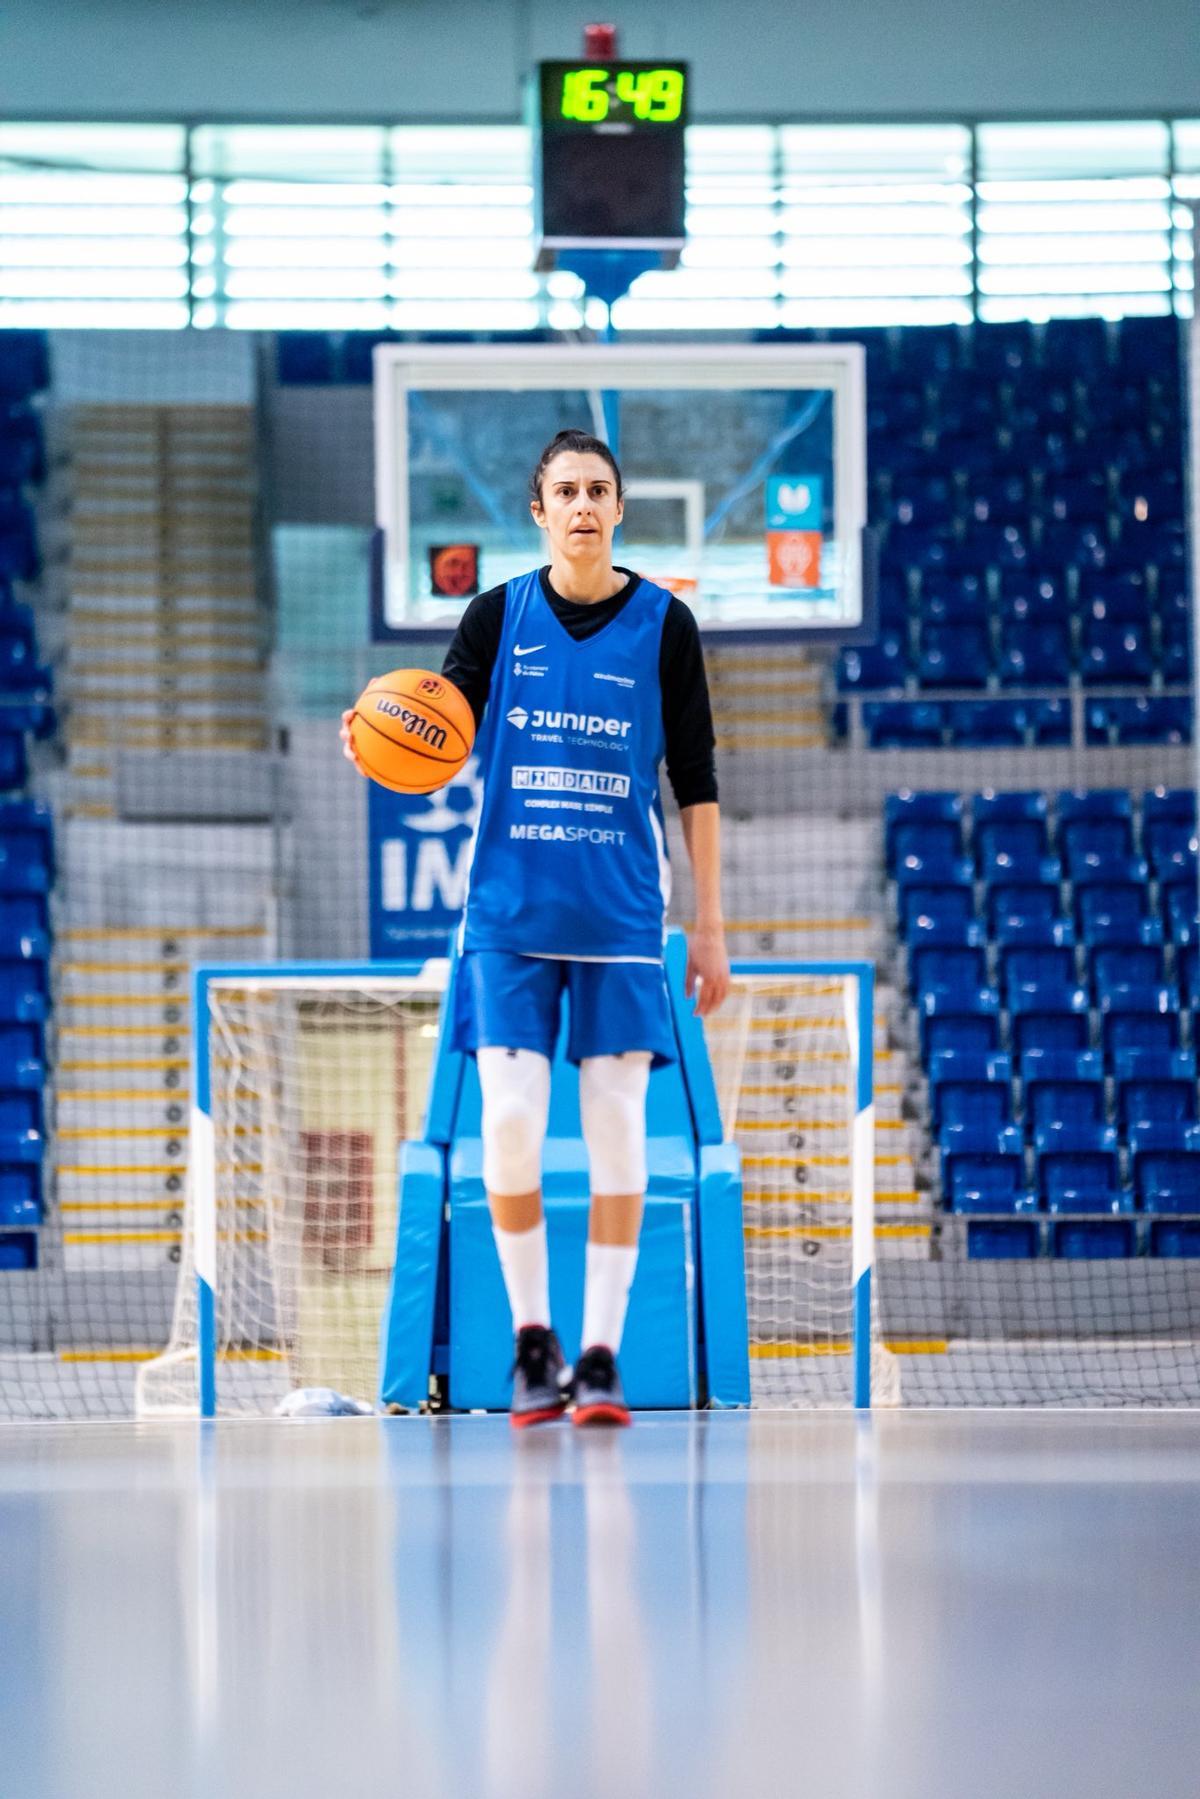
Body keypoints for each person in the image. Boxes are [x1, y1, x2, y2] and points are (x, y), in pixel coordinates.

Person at [343, 428, 729, 1426]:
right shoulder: (495, 613)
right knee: (508, 1121)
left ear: (619, 505)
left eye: (600, 488)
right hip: (508, 912)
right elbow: (433, 726)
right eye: (566, 491)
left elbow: (697, 782)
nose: (584, 505)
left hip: (621, 916)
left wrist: (713, 921)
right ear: (539, 509)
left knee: (616, 1129)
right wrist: (374, 741)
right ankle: (532, 1339)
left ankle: (598, 1354)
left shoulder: (665, 624)